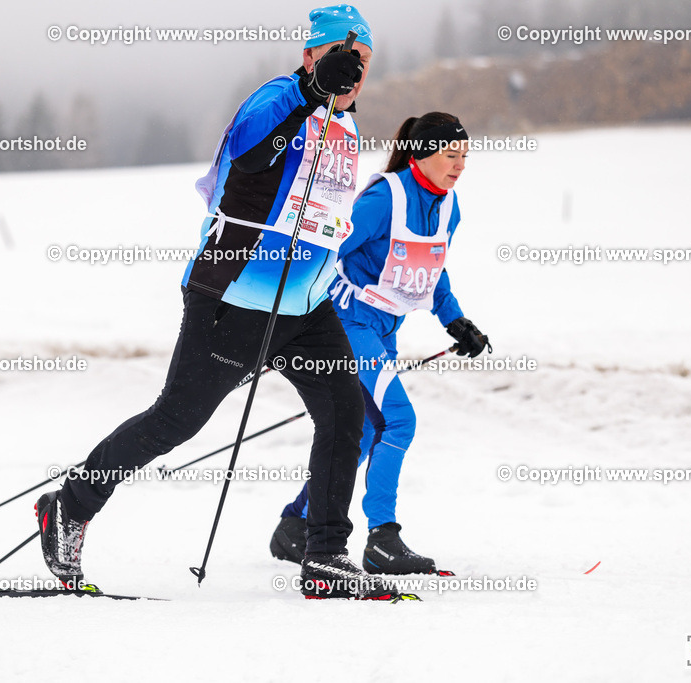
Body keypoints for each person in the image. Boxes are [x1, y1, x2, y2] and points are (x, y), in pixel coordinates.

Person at [35, 5, 398, 600]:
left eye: (362, 60)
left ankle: (326, 554)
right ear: (311, 55)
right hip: (234, 296)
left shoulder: (349, 126)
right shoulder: (278, 98)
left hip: (305, 306)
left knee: (343, 411)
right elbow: (250, 156)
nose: (353, 70)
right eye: (341, 56)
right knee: (176, 419)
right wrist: (309, 93)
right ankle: (69, 506)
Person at [269, 112, 491, 574]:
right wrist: (292, 309)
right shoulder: (382, 200)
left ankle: (297, 525)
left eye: (465, 156)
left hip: (385, 330)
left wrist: (456, 321)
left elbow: (433, 263)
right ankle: (382, 539)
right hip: (348, 325)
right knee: (398, 422)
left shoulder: (449, 206)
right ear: (422, 153)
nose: (460, 165)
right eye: (451, 154)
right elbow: (328, 251)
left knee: (365, 430)